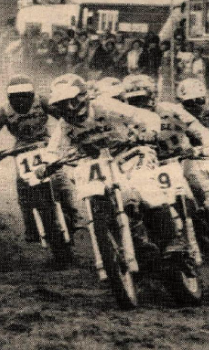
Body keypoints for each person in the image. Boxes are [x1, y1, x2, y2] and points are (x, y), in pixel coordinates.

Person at [40, 74, 195, 269]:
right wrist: (46, 164)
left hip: (130, 153)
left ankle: (172, 240)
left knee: (145, 186)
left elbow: (143, 116)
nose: (69, 108)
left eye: (71, 101)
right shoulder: (64, 125)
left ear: (83, 96)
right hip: (98, 164)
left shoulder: (104, 105)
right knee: (101, 198)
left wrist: (150, 131)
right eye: (62, 104)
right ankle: (131, 242)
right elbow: (52, 149)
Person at [0, 75, 77, 244]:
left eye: (25, 96)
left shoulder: (42, 102)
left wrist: (70, 130)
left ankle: (74, 214)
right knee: (23, 187)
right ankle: (30, 227)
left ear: (32, 95)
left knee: (59, 177)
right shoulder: (4, 111)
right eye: (16, 97)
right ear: (10, 97)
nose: (21, 100)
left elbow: (62, 114)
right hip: (22, 148)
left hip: (45, 142)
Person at [120, 74, 209, 209]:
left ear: (152, 96)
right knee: (143, 201)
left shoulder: (170, 109)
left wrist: (205, 143)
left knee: (199, 185)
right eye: (134, 101)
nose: (139, 104)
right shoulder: (127, 120)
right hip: (152, 167)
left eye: (142, 99)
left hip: (182, 159)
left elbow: (196, 127)